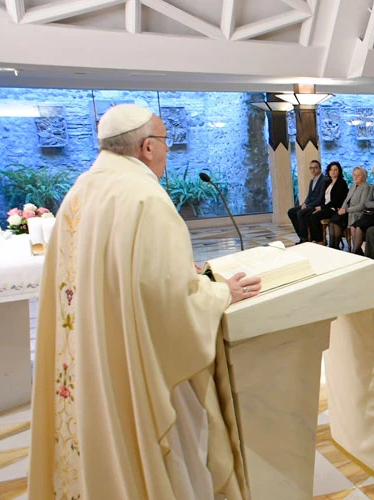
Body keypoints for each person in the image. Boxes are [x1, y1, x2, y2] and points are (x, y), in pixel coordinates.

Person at [29, 104, 256, 499]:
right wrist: (220, 292)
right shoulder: (144, 198)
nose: (168, 151)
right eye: (166, 142)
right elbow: (169, 302)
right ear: (148, 147)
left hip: (96, 354)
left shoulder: (82, 190)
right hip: (136, 362)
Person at [305, 161, 348, 243]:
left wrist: (322, 207)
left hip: (334, 209)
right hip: (326, 207)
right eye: (331, 170)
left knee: (314, 217)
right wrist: (320, 206)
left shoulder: (341, 183)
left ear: (339, 171)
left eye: (335, 170)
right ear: (328, 171)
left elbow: (336, 200)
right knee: (308, 215)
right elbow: (324, 198)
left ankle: (320, 239)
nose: (333, 172)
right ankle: (313, 238)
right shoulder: (328, 182)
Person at [329, 166, 372, 249]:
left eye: (358, 175)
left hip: (356, 213)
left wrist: (346, 210)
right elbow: (346, 200)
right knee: (333, 220)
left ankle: (336, 246)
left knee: (338, 221)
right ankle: (332, 246)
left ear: (363, 176)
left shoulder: (366, 187)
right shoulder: (353, 185)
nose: (355, 177)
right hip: (347, 211)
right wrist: (342, 209)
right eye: (354, 175)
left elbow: (361, 206)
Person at [288, 159, 328, 243]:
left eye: (315, 168)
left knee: (300, 213)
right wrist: (304, 203)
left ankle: (305, 239)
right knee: (291, 211)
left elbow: (320, 198)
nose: (313, 170)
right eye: (311, 168)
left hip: (318, 205)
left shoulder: (324, 180)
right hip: (310, 204)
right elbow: (309, 196)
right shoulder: (312, 180)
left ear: (320, 169)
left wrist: (308, 206)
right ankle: (301, 235)